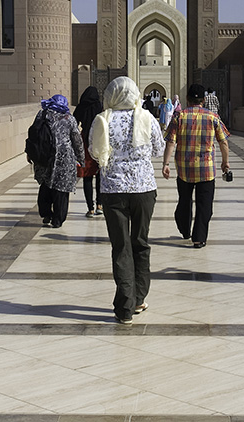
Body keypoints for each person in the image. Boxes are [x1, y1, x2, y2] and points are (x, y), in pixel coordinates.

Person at [89, 76, 165, 325]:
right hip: (143, 190)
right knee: (140, 243)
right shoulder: (146, 117)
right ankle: (139, 297)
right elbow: (158, 149)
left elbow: (94, 150)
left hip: (113, 191)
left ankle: (125, 307)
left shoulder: (102, 119)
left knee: (121, 247)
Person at [162, 83, 230, 248]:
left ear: (187, 99)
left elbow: (170, 142)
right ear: (204, 99)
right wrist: (225, 162)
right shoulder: (213, 117)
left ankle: (185, 230)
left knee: (184, 202)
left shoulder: (180, 116)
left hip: (184, 168)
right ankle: (199, 238)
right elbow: (223, 142)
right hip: (206, 169)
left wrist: (166, 163)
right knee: (204, 204)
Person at [33, 94, 84, 228]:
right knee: (61, 189)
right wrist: (81, 158)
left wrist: (30, 153)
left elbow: (33, 135)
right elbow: (77, 141)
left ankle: (46, 213)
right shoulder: (69, 119)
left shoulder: (42, 115)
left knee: (45, 185)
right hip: (65, 158)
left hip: (45, 156)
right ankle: (58, 219)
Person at [73, 85, 104, 217]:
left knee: (87, 176)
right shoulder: (99, 106)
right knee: (99, 175)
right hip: (99, 142)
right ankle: (99, 205)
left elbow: (74, 124)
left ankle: (90, 209)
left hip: (85, 143)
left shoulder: (81, 107)